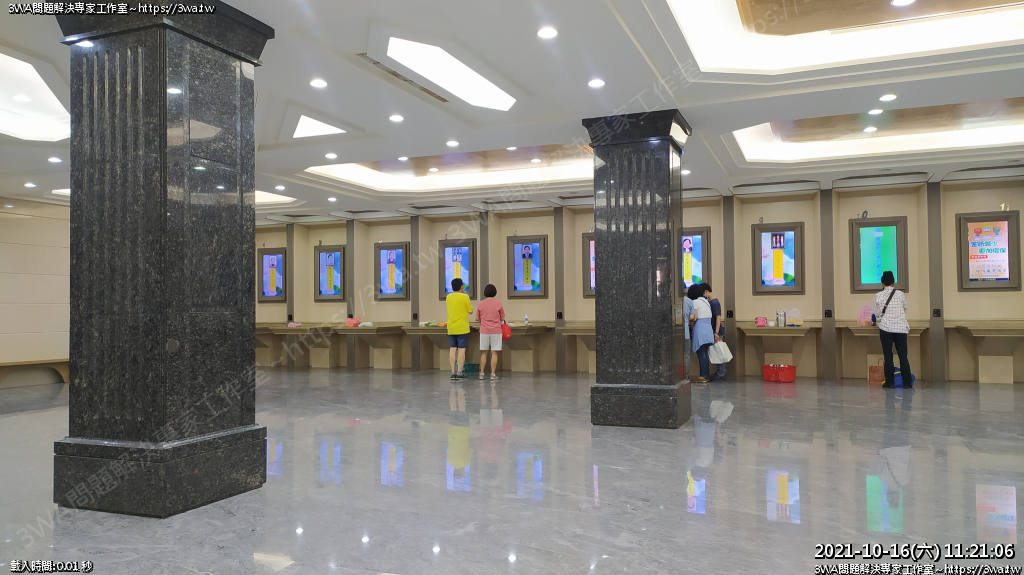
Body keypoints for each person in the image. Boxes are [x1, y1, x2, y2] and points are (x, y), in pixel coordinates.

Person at [873, 270, 912, 389]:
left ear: (882, 283)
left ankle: (890, 382)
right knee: (903, 356)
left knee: (888, 356)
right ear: (893, 283)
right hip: (901, 328)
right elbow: (905, 309)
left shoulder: (878, 295)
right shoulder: (900, 294)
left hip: (886, 328)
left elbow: (877, 314)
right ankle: (907, 383)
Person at [476, 283, 505, 380]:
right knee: (494, 353)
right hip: (496, 330)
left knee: (484, 353)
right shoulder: (499, 303)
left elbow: (477, 318)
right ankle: (493, 374)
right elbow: (502, 317)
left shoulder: (481, 303)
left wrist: (483, 320)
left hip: (484, 330)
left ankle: (481, 373)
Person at [446, 277, 473, 379]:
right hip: (462, 327)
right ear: (461, 287)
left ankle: (453, 372)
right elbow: (470, 311)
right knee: (461, 350)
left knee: (452, 349)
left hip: (451, 327)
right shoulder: (465, 297)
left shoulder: (448, 297)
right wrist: (465, 296)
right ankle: (459, 372)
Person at [688, 283, 715, 383]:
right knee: (704, 352)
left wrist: (686, 318)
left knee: (701, 353)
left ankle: (703, 376)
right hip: (708, 328)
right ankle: (705, 375)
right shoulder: (706, 301)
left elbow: (694, 317)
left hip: (700, 328)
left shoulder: (695, 302)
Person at [702, 283, 727, 382]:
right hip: (713, 331)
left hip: (717, 331)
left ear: (706, 291)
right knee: (716, 352)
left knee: (719, 351)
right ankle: (720, 372)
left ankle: (721, 373)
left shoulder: (715, 302)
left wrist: (716, 332)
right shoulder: (711, 302)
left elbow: (718, 317)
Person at [682, 291, 694, 381]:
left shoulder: (671, 300)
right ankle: (686, 375)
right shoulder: (689, 301)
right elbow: (692, 317)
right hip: (686, 332)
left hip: (674, 332)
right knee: (686, 355)